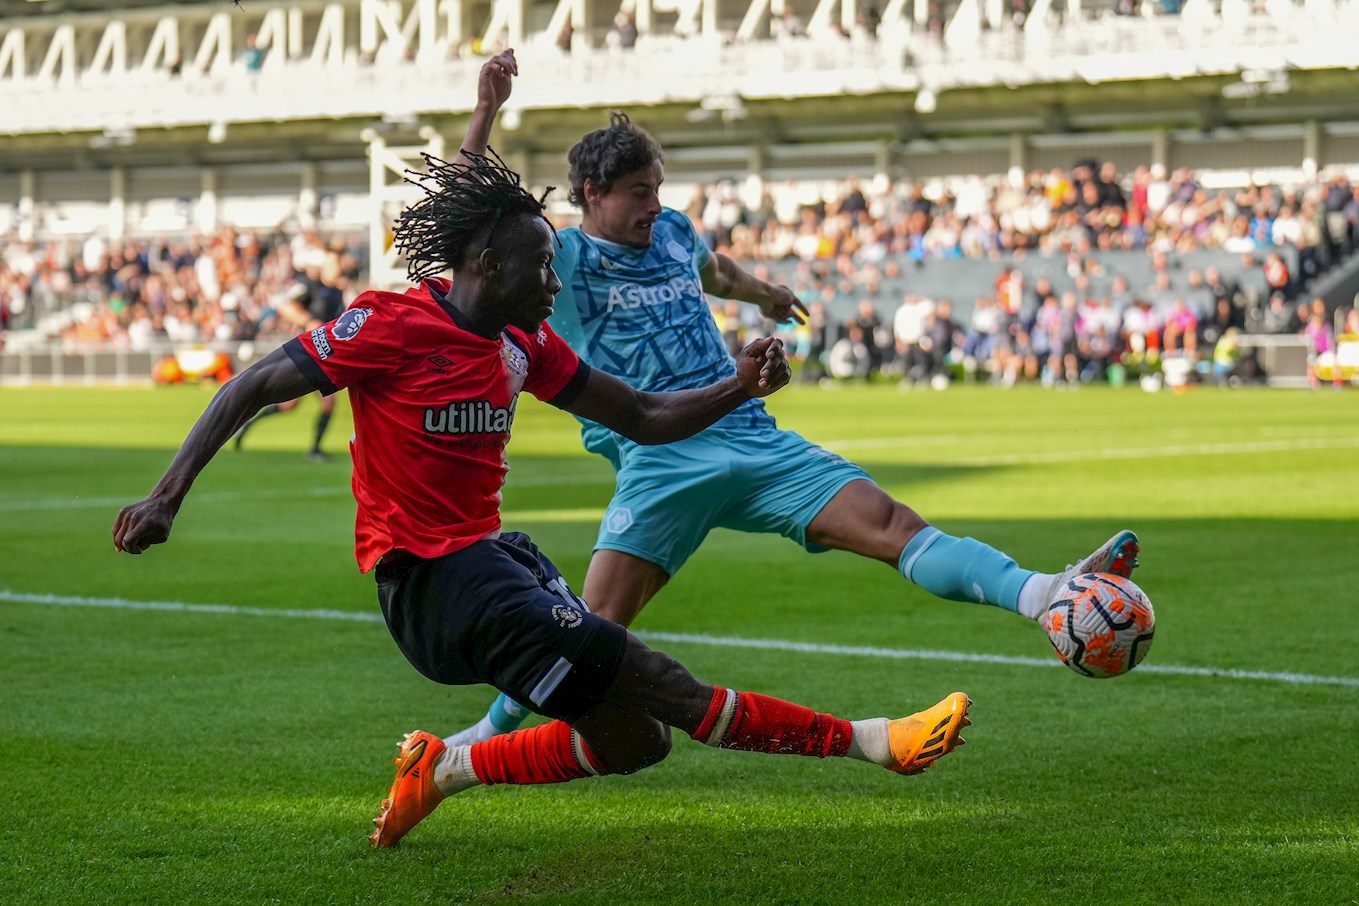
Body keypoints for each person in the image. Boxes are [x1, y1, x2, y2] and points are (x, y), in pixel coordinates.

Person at [110, 97, 973, 849]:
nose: (555, 281)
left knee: (636, 743)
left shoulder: (523, 342)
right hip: (433, 586)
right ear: (486, 266)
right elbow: (253, 384)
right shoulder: (391, 328)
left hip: (491, 562)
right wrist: (165, 495)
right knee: (661, 683)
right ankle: (873, 741)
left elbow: (640, 417)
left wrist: (737, 385)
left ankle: (445, 767)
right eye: (541, 265)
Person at [448, 50, 1140, 747]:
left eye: (657, 188)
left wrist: (766, 295)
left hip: (751, 435)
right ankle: (471, 742)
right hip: (660, 458)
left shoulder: (675, 232)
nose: (653, 206)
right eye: (637, 191)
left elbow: (714, 271)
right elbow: (468, 220)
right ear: (593, 191)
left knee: (894, 524)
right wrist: (486, 111)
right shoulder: (562, 257)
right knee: (587, 631)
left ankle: (1049, 597)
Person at [232, 263, 347, 460]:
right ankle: (248, 424)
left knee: (324, 404)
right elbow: (286, 307)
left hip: (325, 355)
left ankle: (315, 449)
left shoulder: (337, 293)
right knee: (290, 406)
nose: (337, 268)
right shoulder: (310, 286)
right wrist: (308, 320)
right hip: (307, 351)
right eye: (333, 263)